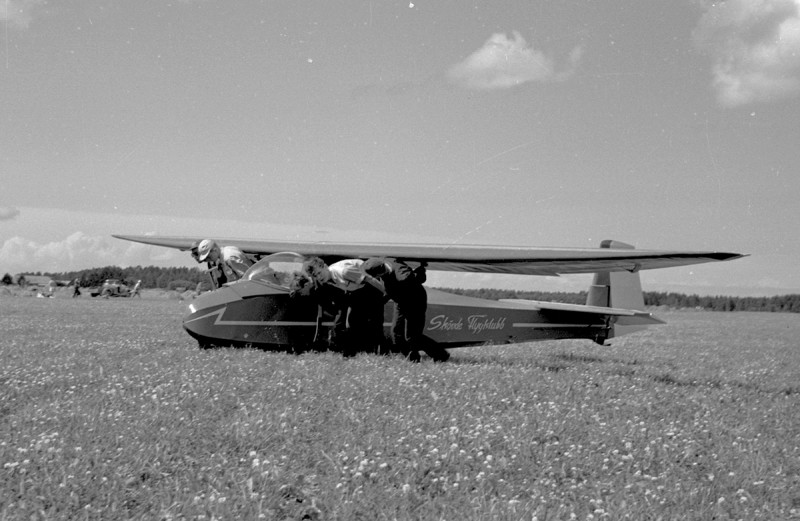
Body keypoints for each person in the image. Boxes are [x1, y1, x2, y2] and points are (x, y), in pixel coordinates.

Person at [363, 258, 449, 362]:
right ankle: (413, 359)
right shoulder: (383, 265)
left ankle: (441, 356)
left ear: (381, 271)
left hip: (415, 301)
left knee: (412, 336)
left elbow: (419, 279)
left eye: (376, 276)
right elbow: (389, 289)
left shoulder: (402, 274)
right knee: (396, 334)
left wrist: (421, 270)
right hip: (401, 301)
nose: (376, 278)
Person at [302, 256, 387, 355]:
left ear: (325, 266)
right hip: (357, 290)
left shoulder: (343, 271)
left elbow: (369, 279)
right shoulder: (327, 279)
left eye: (319, 273)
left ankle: (381, 352)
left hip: (371, 287)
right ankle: (353, 354)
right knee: (351, 323)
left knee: (374, 322)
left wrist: (386, 293)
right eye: (316, 276)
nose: (319, 277)